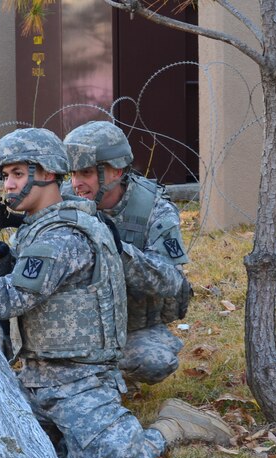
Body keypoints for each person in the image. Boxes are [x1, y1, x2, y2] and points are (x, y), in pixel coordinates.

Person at [0, 127, 231, 458]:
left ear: (47, 173)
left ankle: (173, 424)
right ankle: (73, 436)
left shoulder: (65, 233)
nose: (8, 186)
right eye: (5, 176)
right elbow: (22, 281)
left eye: (18, 174)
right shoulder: (42, 222)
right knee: (6, 457)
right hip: (37, 372)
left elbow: (7, 299)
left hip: (81, 376)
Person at [63, 120, 192, 386]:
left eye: (85, 173)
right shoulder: (60, 201)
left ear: (116, 171)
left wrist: (115, 249)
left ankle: (100, 374)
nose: (76, 184)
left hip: (129, 327)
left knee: (154, 361)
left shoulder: (154, 208)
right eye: (72, 174)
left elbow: (171, 280)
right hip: (67, 323)